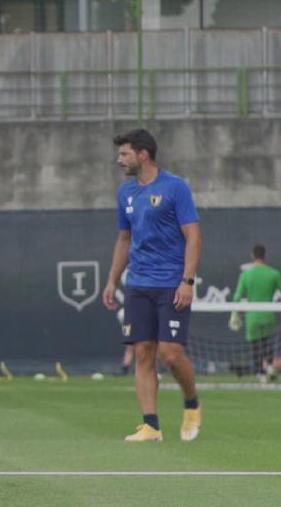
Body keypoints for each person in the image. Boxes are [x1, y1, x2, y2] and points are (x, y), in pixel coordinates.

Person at [103, 128, 202, 443]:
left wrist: (187, 281)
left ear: (142, 154)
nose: (119, 160)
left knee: (171, 355)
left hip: (172, 283)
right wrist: (112, 280)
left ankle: (191, 402)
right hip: (138, 284)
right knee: (143, 352)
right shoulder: (125, 193)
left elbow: (194, 236)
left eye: (124, 153)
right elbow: (124, 238)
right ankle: (151, 426)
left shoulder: (175, 187)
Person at [228, 244, 281, 380]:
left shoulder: (246, 275)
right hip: (268, 315)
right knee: (268, 343)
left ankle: (260, 372)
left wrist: (234, 313)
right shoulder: (274, 273)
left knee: (256, 345)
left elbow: (237, 296)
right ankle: (269, 367)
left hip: (253, 316)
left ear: (252, 255)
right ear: (264, 255)